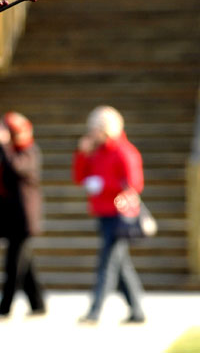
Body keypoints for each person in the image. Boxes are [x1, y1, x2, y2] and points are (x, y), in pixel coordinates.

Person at [72, 105, 146, 324]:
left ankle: (94, 311)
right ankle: (137, 311)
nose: (92, 133)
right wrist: (82, 154)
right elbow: (78, 177)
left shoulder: (124, 151)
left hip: (119, 214)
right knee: (121, 264)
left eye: (95, 129)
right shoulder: (96, 151)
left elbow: (133, 184)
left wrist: (105, 185)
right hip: (102, 212)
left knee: (108, 263)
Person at [0, 111, 46, 319]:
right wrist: (2, 145)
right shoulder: (11, 151)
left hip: (23, 219)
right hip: (11, 217)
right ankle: (38, 305)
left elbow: (15, 169)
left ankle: (4, 308)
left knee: (13, 266)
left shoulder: (29, 151)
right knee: (25, 264)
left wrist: (3, 145)